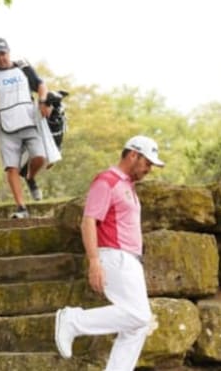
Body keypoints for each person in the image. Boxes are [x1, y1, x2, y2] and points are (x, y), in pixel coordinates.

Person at [54, 135, 165, 370]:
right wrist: (94, 262)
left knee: (137, 326)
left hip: (130, 259)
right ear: (133, 155)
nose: (149, 169)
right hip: (115, 256)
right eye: (147, 163)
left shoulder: (127, 186)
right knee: (140, 316)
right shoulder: (107, 181)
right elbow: (88, 221)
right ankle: (74, 320)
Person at [0, 37, 52, 219]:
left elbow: (41, 85)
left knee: (40, 157)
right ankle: (21, 207)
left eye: (3, 53)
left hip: (29, 120)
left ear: (8, 52)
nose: (0, 58)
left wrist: (42, 101)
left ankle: (31, 177)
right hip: (6, 127)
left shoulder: (23, 68)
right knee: (12, 167)